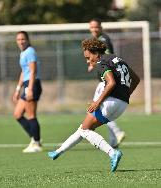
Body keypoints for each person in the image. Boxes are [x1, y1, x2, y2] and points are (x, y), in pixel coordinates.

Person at [47, 38, 140, 172]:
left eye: (88, 57)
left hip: (110, 102)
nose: (87, 61)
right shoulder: (117, 59)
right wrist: (126, 94)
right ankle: (58, 151)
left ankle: (113, 153)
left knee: (85, 130)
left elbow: (111, 83)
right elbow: (136, 79)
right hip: (122, 104)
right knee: (84, 128)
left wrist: (98, 102)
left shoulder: (102, 62)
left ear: (96, 53)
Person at [89, 18, 125, 148]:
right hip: (103, 79)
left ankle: (117, 131)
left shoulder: (103, 40)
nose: (94, 29)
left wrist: (95, 64)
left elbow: (107, 56)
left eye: (96, 27)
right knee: (101, 110)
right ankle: (113, 140)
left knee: (95, 109)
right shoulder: (97, 39)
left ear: (101, 27)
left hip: (105, 81)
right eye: (92, 27)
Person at [12, 31, 43, 153]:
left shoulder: (30, 51)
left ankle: (36, 143)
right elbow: (23, 72)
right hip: (26, 84)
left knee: (31, 115)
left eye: (23, 39)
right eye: (18, 39)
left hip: (33, 84)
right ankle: (34, 138)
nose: (21, 41)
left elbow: (33, 71)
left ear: (28, 40)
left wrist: (29, 88)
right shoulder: (23, 53)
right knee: (17, 114)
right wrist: (17, 89)